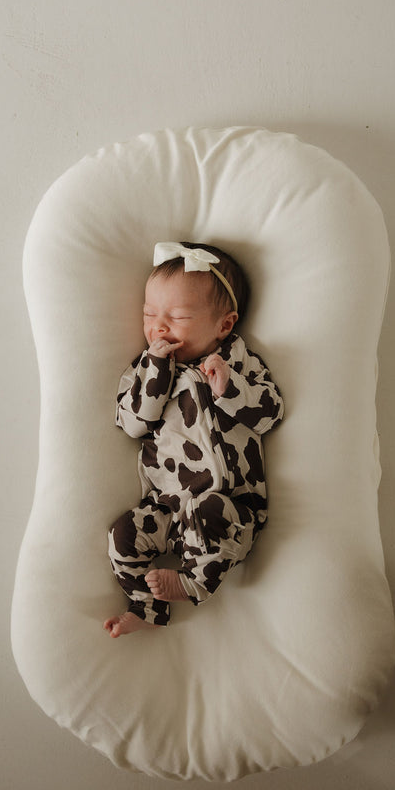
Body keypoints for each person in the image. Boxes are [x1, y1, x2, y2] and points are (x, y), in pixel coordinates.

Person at [103, 241, 284, 636]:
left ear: (225, 324)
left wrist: (230, 388)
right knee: (123, 535)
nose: (159, 326)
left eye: (178, 316)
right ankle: (145, 606)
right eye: (150, 313)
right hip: (167, 506)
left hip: (230, 508)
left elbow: (270, 413)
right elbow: (132, 423)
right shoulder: (144, 368)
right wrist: (155, 372)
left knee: (212, 511)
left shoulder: (237, 362)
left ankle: (193, 582)